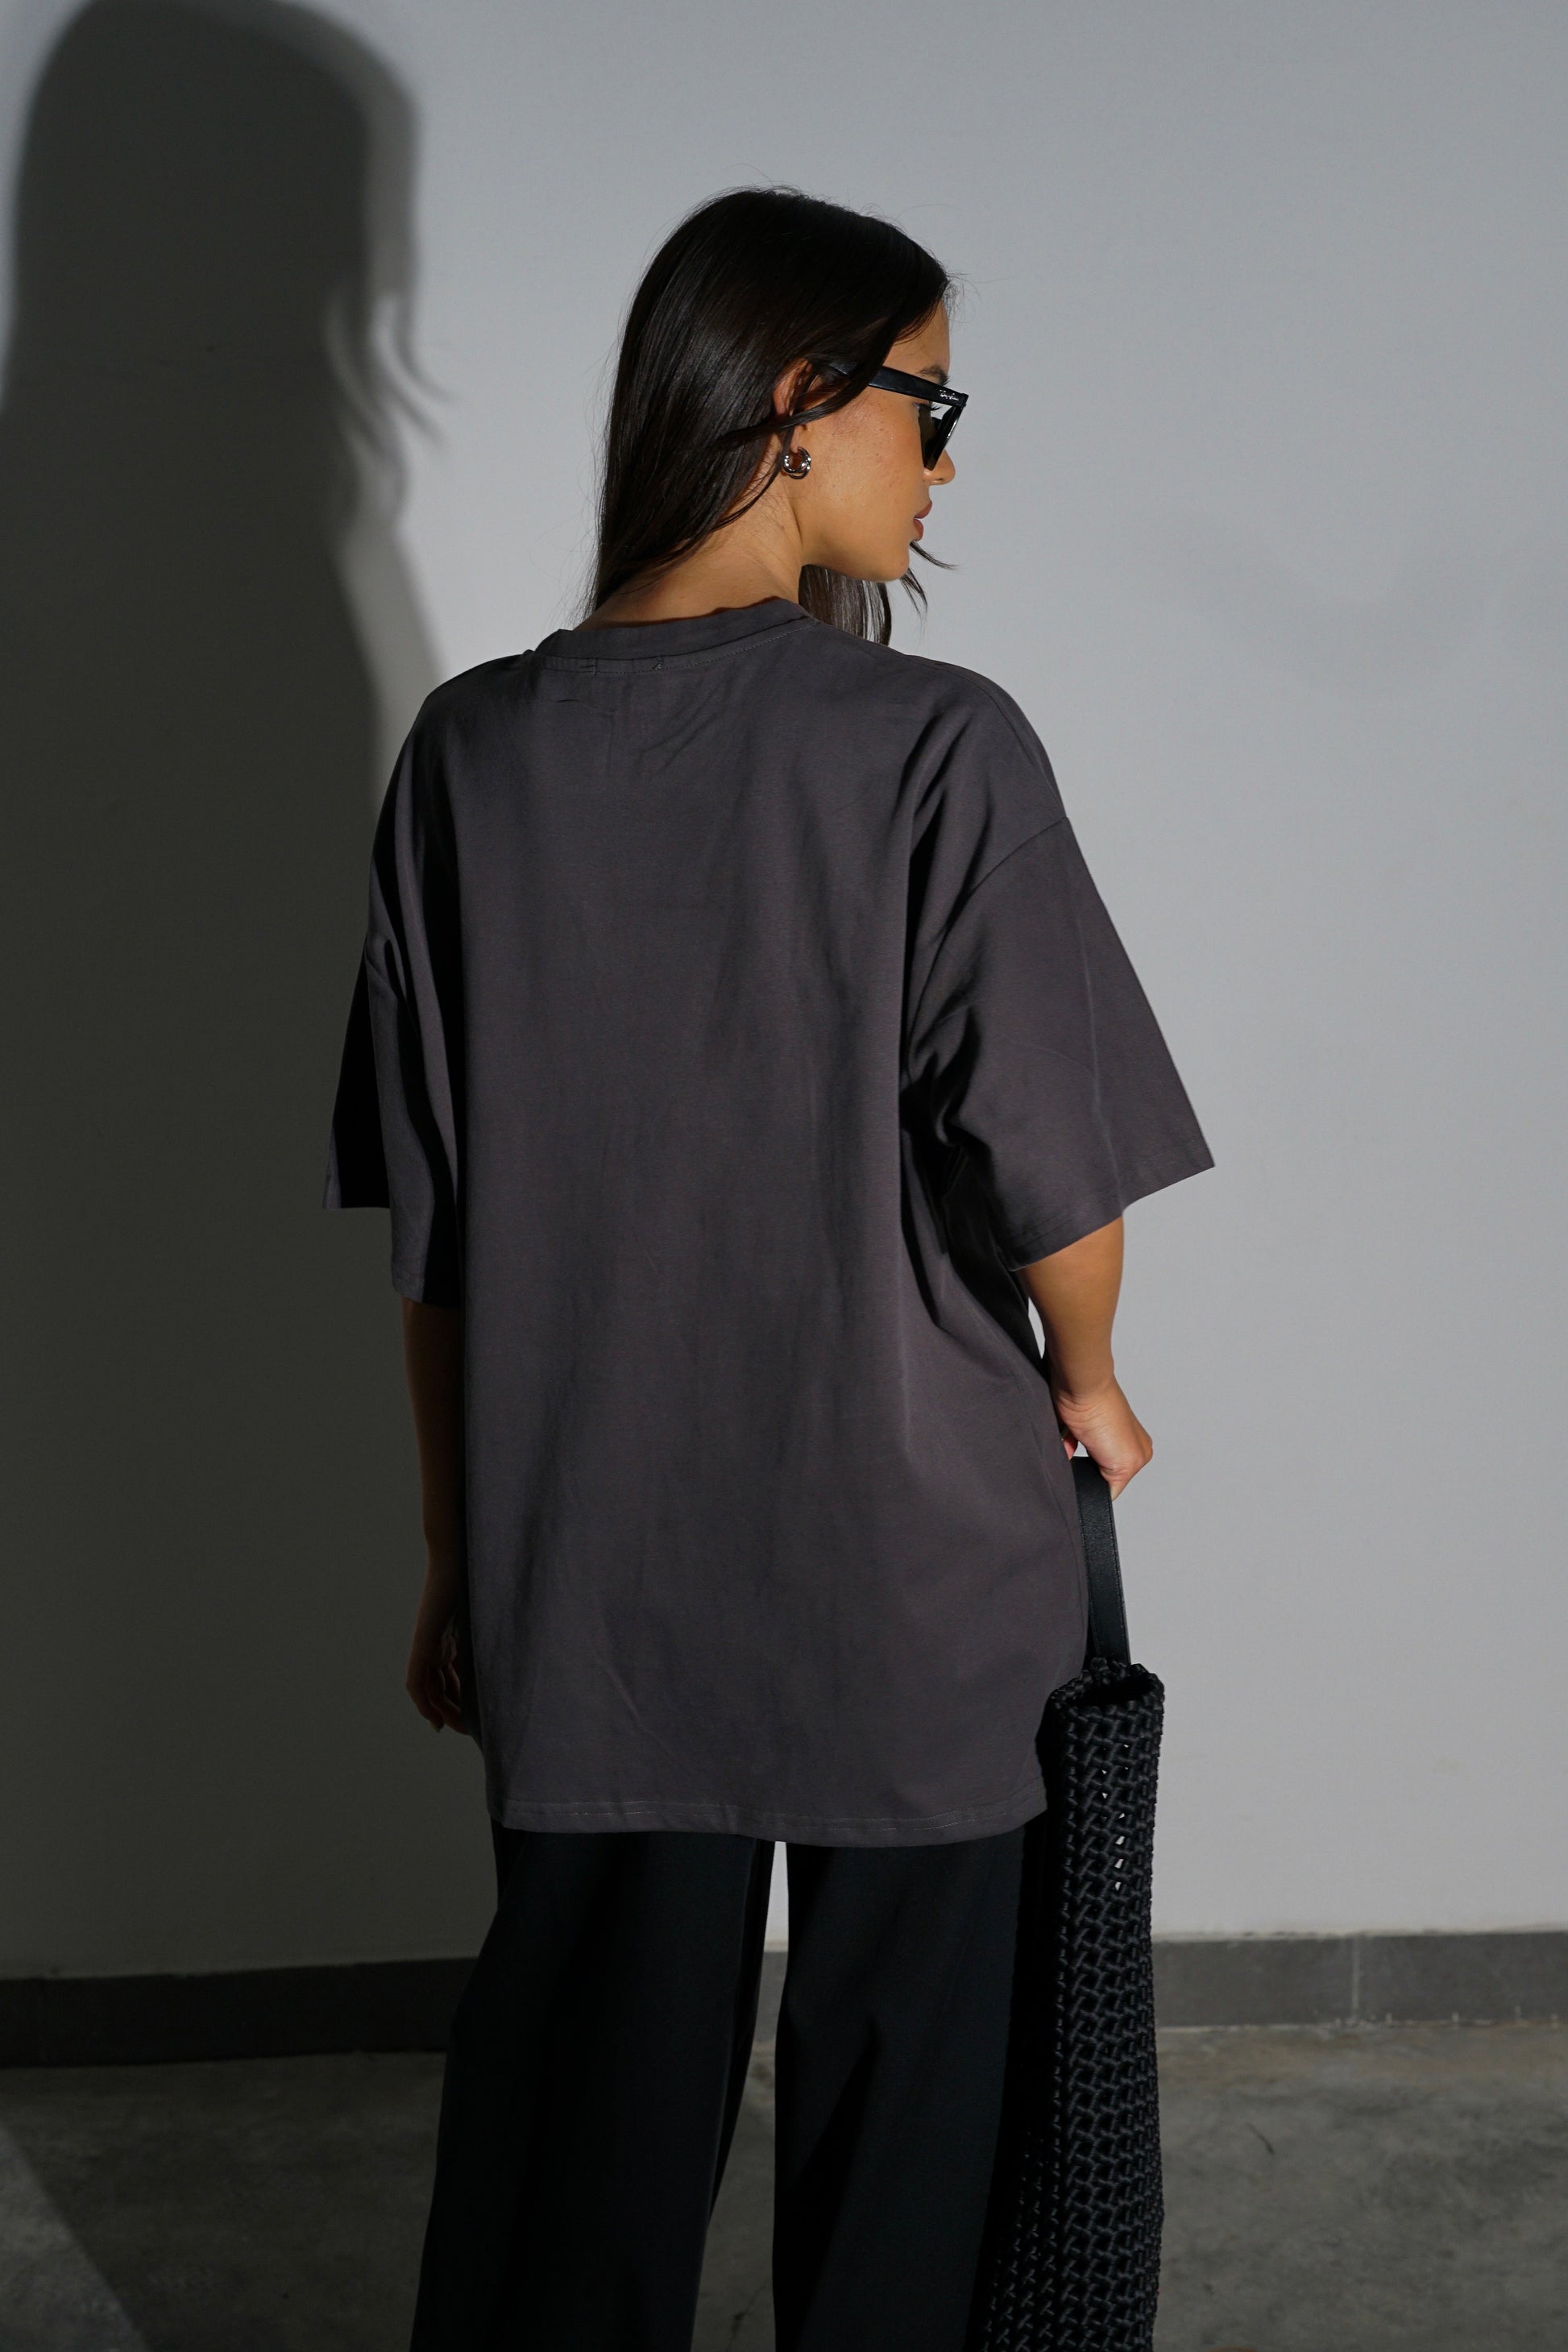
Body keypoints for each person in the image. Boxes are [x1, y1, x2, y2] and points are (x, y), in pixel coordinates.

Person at [325, 185, 1211, 2352]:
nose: (946, 462)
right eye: (931, 404)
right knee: (920, 2141)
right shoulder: (935, 745)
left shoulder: (468, 758)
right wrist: (1092, 1381)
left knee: (580, 2146)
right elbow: (1054, 1183)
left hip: (594, 1576)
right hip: (915, 1575)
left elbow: (440, 1235)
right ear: (804, 400)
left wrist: (456, 1554)